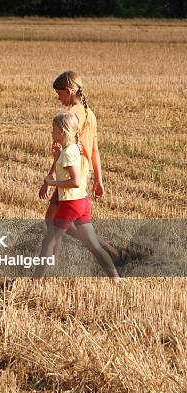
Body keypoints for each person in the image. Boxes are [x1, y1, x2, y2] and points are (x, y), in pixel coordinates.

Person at [39, 70, 128, 267]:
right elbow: (94, 151)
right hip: (83, 174)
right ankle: (113, 253)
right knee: (61, 222)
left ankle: (50, 264)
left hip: (70, 173)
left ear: (69, 91)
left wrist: (51, 177)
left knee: (54, 222)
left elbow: (65, 150)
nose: (59, 98)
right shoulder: (90, 114)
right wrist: (98, 179)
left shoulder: (70, 116)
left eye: (60, 94)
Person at [33, 112, 123, 286]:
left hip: (70, 204)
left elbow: (74, 181)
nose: (51, 133)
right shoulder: (73, 149)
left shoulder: (68, 154)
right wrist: (56, 158)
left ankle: (35, 281)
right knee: (93, 245)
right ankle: (116, 279)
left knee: (48, 242)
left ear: (63, 131)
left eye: (54, 130)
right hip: (82, 202)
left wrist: (52, 182)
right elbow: (70, 171)